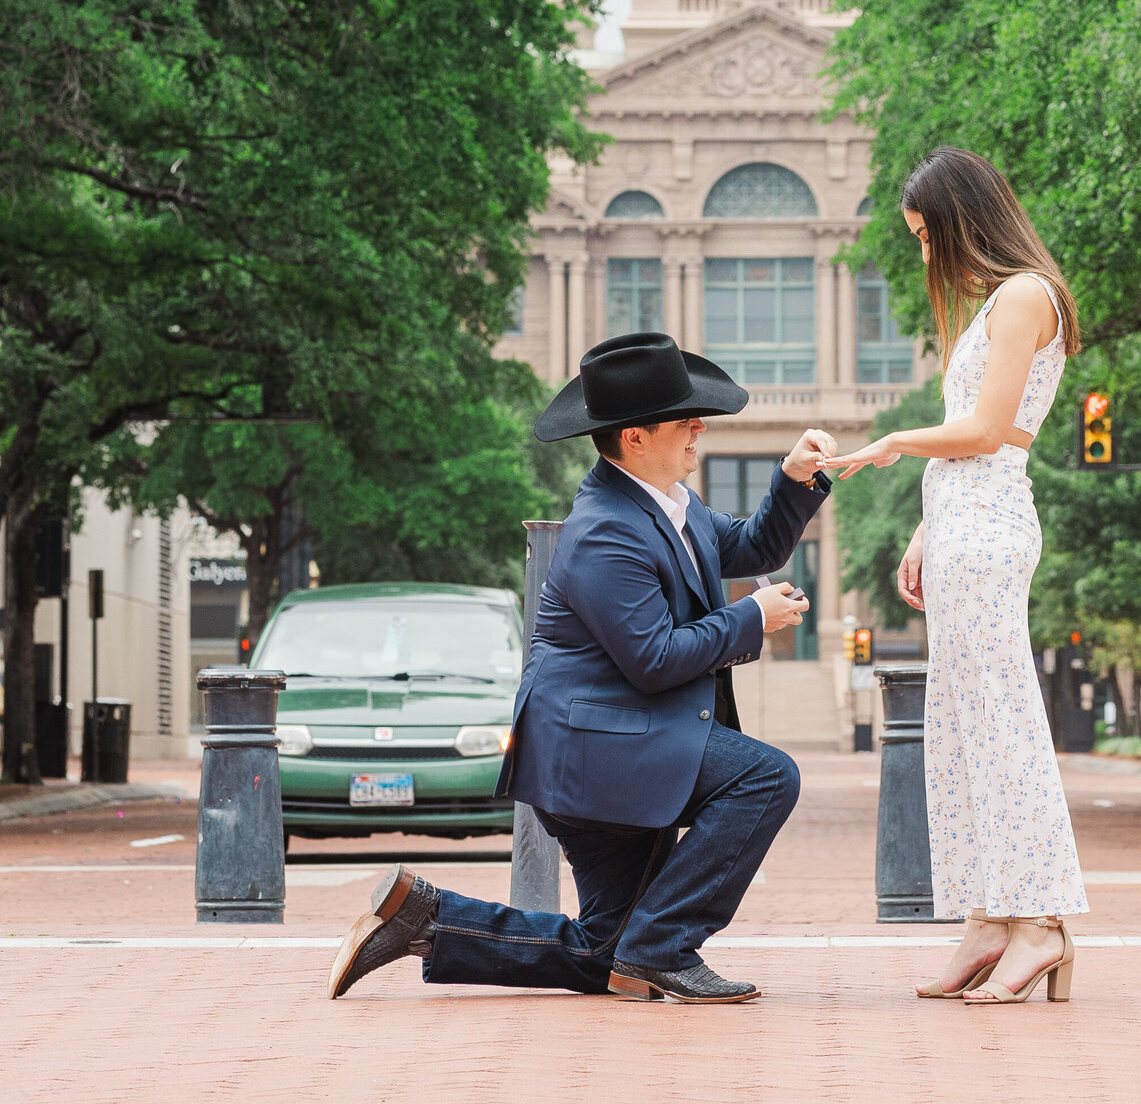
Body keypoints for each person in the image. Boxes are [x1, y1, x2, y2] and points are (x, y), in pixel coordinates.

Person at [327, 330, 834, 1005]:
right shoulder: (606, 530)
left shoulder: (669, 506)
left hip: (622, 743)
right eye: (684, 419)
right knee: (766, 778)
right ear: (634, 438)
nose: (699, 428)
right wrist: (750, 618)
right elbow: (654, 660)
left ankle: (424, 919)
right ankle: (663, 946)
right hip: (596, 754)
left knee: (606, 953)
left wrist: (796, 477)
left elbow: (753, 543)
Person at [823, 148, 1087, 1006]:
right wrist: (924, 529)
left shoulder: (1023, 296)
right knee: (959, 730)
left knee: (1002, 724)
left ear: (964, 214)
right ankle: (986, 915)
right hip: (962, 527)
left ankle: (1039, 923)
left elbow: (986, 431)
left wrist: (896, 444)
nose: (928, 253)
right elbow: (976, 444)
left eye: (928, 234)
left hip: (990, 526)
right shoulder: (999, 302)